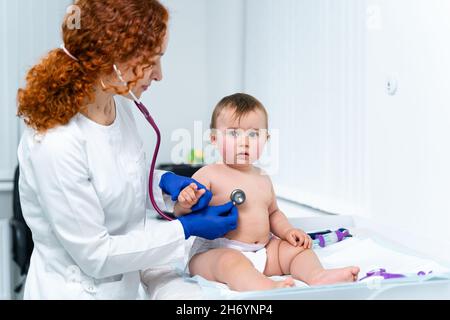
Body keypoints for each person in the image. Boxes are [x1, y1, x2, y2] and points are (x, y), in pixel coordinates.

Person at [16, 0, 237, 300]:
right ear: (112, 57)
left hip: (123, 289)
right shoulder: (56, 142)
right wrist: (185, 229)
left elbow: (114, 177)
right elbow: (96, 255)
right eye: (152, 60)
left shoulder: (117, 104)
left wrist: (165, 187)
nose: (159, 74)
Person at [173, 93, 360, 291]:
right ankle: (266, 287)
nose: (244, 142)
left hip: (262, 250)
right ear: (214, 138)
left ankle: (318, 276)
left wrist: (288, 231)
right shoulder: (209, 174)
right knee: (230, 261)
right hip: (216, 251)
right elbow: (180, 213)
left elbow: (273, 213)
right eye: (234, 134)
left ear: (266, 139)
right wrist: (184, 203)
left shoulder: (262, 177)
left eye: (253, 134)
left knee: (297, 250)